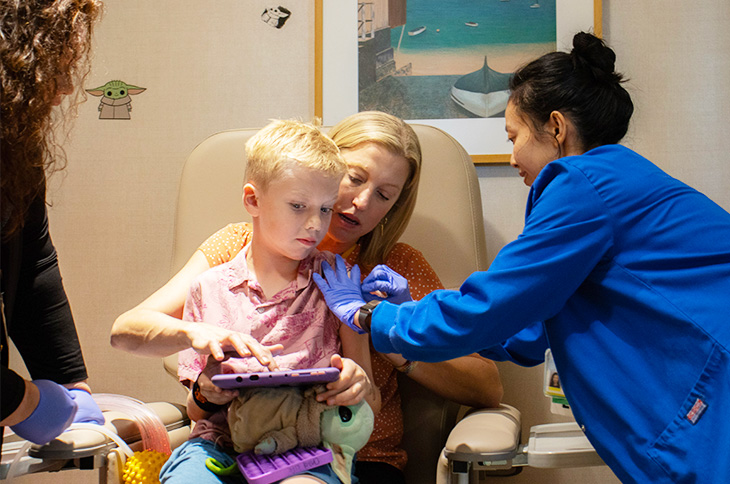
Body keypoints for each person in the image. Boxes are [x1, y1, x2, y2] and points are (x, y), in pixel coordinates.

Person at [314, 33, 730, 484]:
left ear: (555, 127)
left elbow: (495, 308)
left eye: (513, 136)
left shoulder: (585, 182)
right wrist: (407, 309)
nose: (512, 158)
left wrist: (375, 317)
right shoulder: (613, 183)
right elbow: (524, 328)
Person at [111, 111, 503, 484]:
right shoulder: (233, 252)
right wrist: (198, 347)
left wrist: (388, 330)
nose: (363, 203)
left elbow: (484, 385)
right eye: (354, 178)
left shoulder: (393, 267)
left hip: (353, 457)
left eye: (384, 195)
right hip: (229, 441)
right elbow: (133, 328)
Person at [159, 119, 379, 484]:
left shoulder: (335, 283)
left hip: (307, 450)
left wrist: (356, 383)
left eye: (325, 209)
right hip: (219, 444)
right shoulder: (208, 289)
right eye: (297, 206)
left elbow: (367, 399)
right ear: (252, 200)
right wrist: (207, 390)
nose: (314, 224)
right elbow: (196, 410)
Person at [0, 0, 105, 448]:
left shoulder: (14, 146)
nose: (65, 88)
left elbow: (34, 264)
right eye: (53, 69)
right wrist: (23, 402)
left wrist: (69, 381)